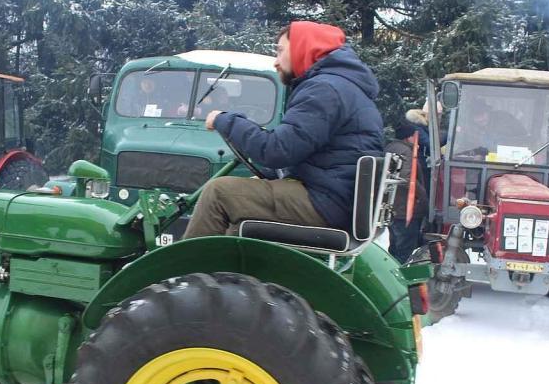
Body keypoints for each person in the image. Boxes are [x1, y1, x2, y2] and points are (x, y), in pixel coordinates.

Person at [183, 21, 383, 238]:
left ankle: (189, 271)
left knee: (218, 193)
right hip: (337, 197)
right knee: (235, 217)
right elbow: (305, 153)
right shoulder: (339, 85)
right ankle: (223, 270)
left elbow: (276, 151)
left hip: (327, 201)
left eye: (280, 51)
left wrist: (225, 120)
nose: (276, 63)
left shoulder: (324, 89)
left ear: (303, 48)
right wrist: (271, 176)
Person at [385, 119, 428, 263]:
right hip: (406, 210)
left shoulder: (391, 148)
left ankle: (389, 273)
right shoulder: (407, 151)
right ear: (408, 137)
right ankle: (399, 280)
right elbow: (407, 178)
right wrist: (423, 196)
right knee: (405, 251)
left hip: (394, 208)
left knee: (395, 246)